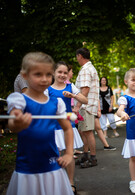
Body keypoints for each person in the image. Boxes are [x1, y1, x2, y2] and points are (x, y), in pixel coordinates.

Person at [6, 52, 74, 195]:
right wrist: (18, 122)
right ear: (24, 76)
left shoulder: (56, 103)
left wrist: (68, 153)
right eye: (38, 74)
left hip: (52, 166)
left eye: (48, 74)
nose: (44, 79)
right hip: (27, 169)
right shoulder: (19, 99)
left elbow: (68, 129)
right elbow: (12, 124)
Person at [46, 61, 88, 194]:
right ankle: (57, 183)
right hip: (53, 127)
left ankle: (71, 183)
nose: (63, 75)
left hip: (67, 127)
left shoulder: (71, 87)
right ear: (53, 72)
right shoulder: (48, 89)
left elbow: (85, 100)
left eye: (65, 72)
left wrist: (74, 96)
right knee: (55, 156)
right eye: (60, 72)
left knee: (68, 155)